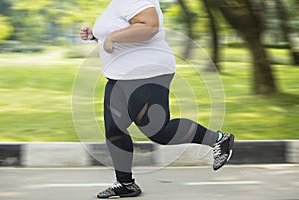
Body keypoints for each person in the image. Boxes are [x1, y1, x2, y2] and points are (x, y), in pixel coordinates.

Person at [80, 0, 235, 198]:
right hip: (120, 76)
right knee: (114, 129)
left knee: (158, 131)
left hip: (145, 73)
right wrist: (97, 36)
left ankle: (219, 140)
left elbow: (150, 26)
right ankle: (125, 183)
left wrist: (112, 36)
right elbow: (126, 31)